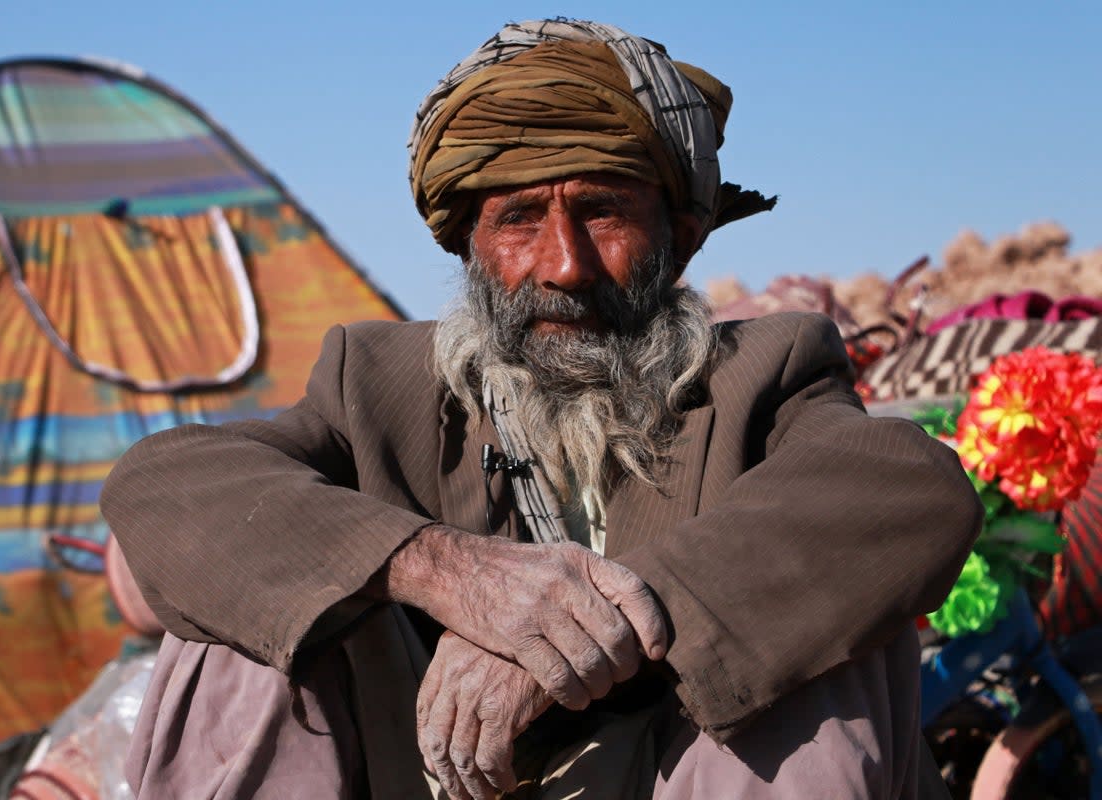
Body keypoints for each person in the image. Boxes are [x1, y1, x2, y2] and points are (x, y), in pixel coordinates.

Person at [100, 19, 981, 799]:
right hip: (432, 772)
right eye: (520, 218)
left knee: (835, 641)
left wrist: (573, 633)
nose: (564, 264)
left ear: (683, 236)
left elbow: (908, 490)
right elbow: (167, 486)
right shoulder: (370, 379)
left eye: (603, 211)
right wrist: (448, 575)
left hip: (672, 767)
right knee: (247, 612)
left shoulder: (766, 370)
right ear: (472, 246)